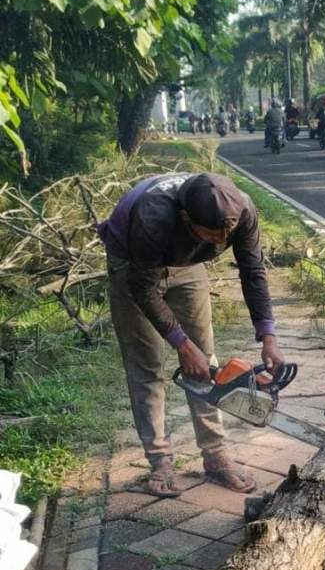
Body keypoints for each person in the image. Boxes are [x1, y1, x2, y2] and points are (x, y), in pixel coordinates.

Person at [97, 173, 284, 497]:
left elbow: (253, 271)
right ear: (186, 218)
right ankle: (160, 461)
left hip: (187, 262)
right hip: (134, 263)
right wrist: (181, 344)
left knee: (205, 360)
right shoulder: (153, 215)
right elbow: (144, 289)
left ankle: (215, 456)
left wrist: (268, 335)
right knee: (147, 366)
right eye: (213, 235)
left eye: (225, 235)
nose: (220, 242)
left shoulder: (243, 209)